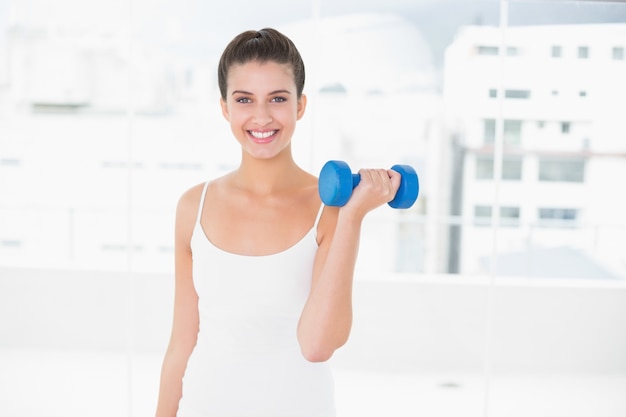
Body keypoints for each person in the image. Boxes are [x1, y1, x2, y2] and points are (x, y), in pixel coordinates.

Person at [154, 27, 401, 417]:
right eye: (244, 99)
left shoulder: (329, 210)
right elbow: (181, 345)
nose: (262, 116)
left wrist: (352, 217)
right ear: (225, 108)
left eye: (278, 99)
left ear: (300, 106)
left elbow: (318, 344)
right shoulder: (193, 207)